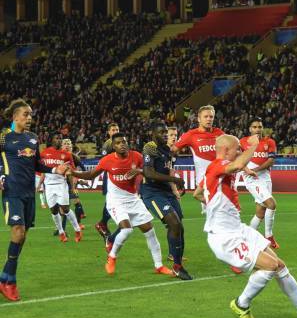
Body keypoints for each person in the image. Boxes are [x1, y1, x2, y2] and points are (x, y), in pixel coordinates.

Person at [193, 134, 297, 318]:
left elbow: (198, 193)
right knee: (270, 265)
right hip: (224, 237)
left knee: (280, 266)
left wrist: (212, 206)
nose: (240, 152)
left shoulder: (218, 171)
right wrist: (254, 146)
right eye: (237, 149)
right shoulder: (217, 165)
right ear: (226, 151)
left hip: (238, 229)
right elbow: (235, 165)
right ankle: (241, 304)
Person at [70, 133, 173, 276]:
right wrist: (74, 172)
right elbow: (91, 175)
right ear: (113, 146)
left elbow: (149, 171)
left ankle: (159, 266)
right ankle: (112, 257)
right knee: (126, 230)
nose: (122, 144)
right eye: (118, 143)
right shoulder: (107, 160)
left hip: (133, 199)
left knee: (150, 232)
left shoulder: (136, 156)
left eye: (124, 141)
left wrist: (138, 170)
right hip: (115, 201)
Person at [0, 99, 69, 301]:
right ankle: (10, 281)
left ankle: (4, 276)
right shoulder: (4, 138)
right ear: (15, 117)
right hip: (12, 191)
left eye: (31, 115)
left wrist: (55, 169)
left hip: (29, 194)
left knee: (23, 237)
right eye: (25, 114)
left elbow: (37, 164)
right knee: (18, 232)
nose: (29, 118)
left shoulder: (32, 138)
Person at [141, 122, 192, 280]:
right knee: (174, 223)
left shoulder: (168, 151)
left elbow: (169, 169)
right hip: (152, 192)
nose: (164, 134)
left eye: (166, 132)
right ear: (153, 134)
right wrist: (174, 180)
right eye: (161, 132)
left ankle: (175, 260)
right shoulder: (150, 147)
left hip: (166, 191)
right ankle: (177, 266)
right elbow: (149, 173)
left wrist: (175, 186)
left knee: (179, 226)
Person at [171, 105, 224, 214]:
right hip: (203, 182)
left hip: (220, 179)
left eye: (211, 116)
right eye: (206, 116)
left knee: (218, 214)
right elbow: (172, 150)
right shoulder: (190, 135)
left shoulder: (219, 133)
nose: (209, 119)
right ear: (199, 119)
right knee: (216, 213)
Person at [240, 117, 280, 249]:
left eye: (259, 127)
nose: (257, 129)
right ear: (250, 129)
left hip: (265, 178)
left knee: (260, 212)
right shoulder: (243, 142)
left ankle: (246, 239)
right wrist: (247, 170)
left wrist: (255, 169)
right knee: (272, 203)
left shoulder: (269, 142)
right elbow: (236, 158)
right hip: (251, 179)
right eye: (254, 127)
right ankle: (269, 235)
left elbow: (271, 161)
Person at [39, 134, 83, 243]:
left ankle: (77, 230)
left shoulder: (67, 155)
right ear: (52, 140)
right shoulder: (44, 153)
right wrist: (40, 184)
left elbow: (71, 171)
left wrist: (72, 186)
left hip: (61, 185)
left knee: (65, 209)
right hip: (48, 186)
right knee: (54, 211)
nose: (59, 140)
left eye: (60, 138)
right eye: (56, 138)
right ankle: (61, 232)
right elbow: (41, 168)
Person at [95, 123, 120, 242]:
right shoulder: (108, 144)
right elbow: (104, 161)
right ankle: (103, 223)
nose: (115, 131)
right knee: (111, 200)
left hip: (119, 175)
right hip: (110, 175)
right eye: (113, 130)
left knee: (114, 200)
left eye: (117, 129)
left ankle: (103, 223)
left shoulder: (120, 142)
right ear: (109, 132)